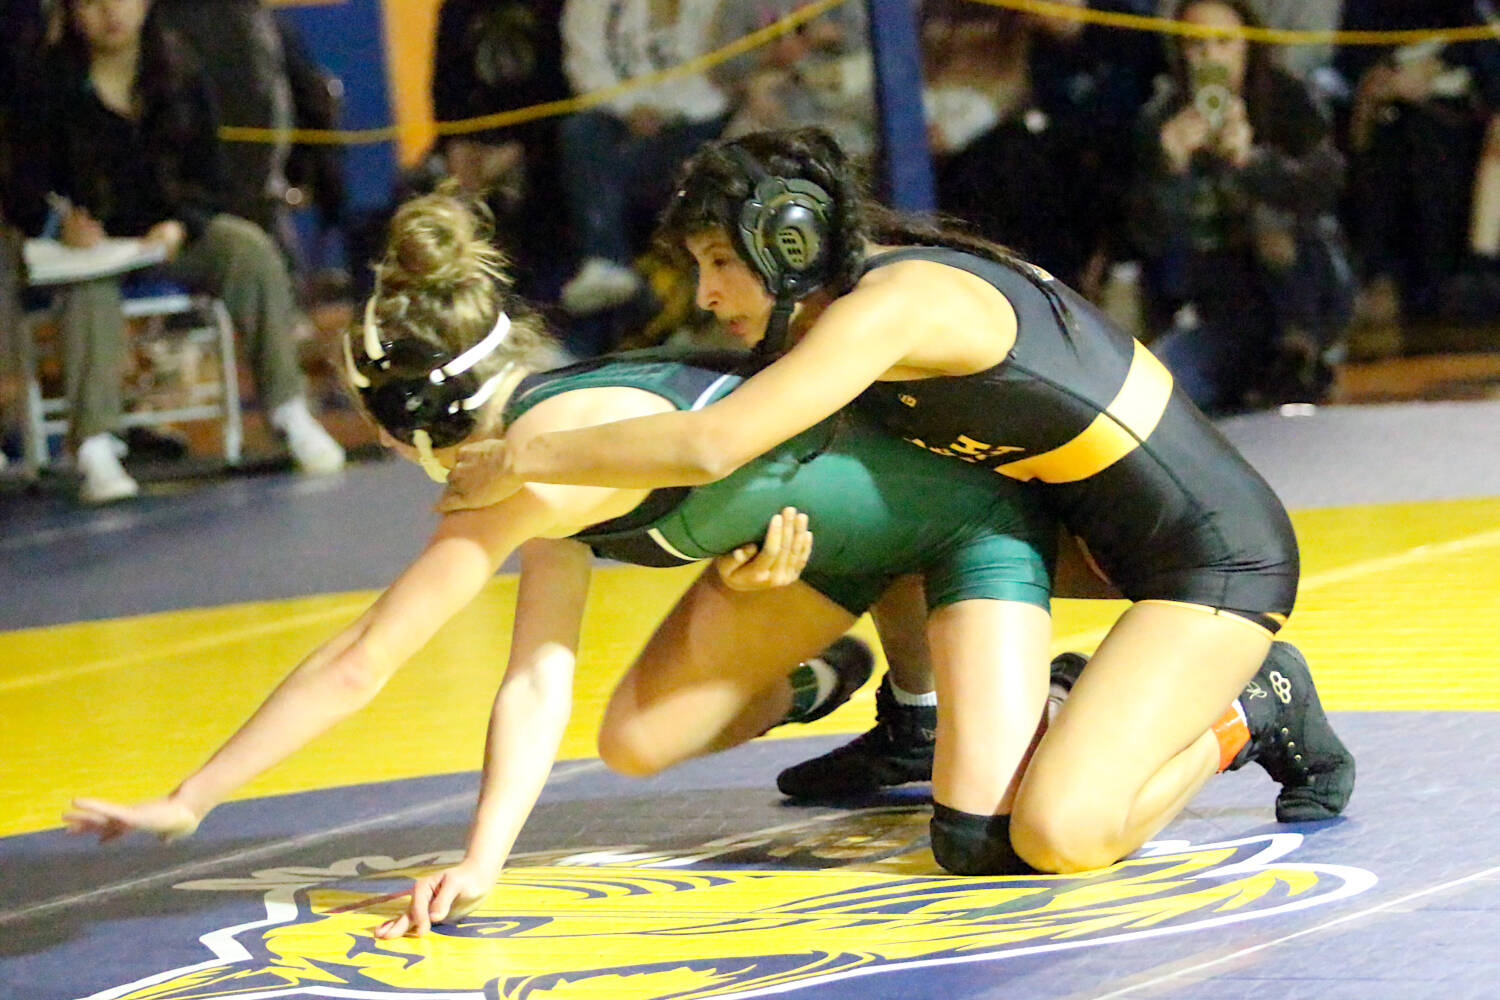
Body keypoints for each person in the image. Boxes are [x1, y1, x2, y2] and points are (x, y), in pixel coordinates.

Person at [63, 191, 1063, 930]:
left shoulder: (527, 473)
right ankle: (882, 695)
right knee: (632, 737)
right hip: (864, 548)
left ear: (407, 427)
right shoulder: (550, 430)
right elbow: (537, 677)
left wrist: (194, 795)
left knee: (982, 838)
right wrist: (484, 860)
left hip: (967, 525)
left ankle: (1074, 694)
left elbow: (362, 660)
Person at [436, 127, 1357, 875]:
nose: (706, 293)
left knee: (1059, 834)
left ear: (789, 242)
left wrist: (526, 452)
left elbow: (713, 443)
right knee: (894, 500)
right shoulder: (845, 313)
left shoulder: (896, 305)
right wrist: (756, 561)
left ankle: (1253, 706)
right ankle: (922, 716)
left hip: (1211, 561)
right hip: (1074, 530)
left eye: (719, 261)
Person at [4, 0, 344, 503]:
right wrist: (60, 223)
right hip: (89, 248)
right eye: (92, 3)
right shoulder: (45, 81)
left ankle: (288, 409)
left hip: (167, 235)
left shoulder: (181, 68)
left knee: (247, 248)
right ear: (72, 12)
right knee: (87, 288)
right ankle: (95, 444)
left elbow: (212, 178)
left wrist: (181, 224)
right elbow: (20, 186)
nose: (110, 13)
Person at [1129, 0, 1353, 412]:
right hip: (1218, 303)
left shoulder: (1288, 98)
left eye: (1224, 43)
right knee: (1160, 394)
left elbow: (1324, 190)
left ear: (1248, 45)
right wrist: (1171, 169)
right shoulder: (1161, 120)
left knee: (1272, 224)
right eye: (1196, 45)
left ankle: (1299, 355)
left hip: (1299, 294)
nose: (1211, 57)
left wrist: (1251, 163)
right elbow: (1147, 237)